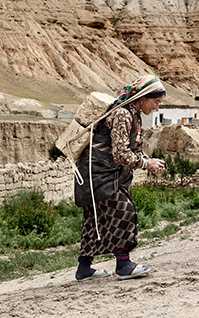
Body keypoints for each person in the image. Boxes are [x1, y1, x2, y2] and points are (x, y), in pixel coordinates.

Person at [74, 75, 167, 281]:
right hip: (99, 174)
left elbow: (135, 148)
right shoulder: (122, 115)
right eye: (156, 102)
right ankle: (124, 265)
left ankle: (84, 269)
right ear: (143, 97)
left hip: (102, 173)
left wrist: (149, 162)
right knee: (124, 211)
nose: (157, 107)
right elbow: (120, 154)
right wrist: (145, 164)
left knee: (94, 220)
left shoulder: (134, 116)